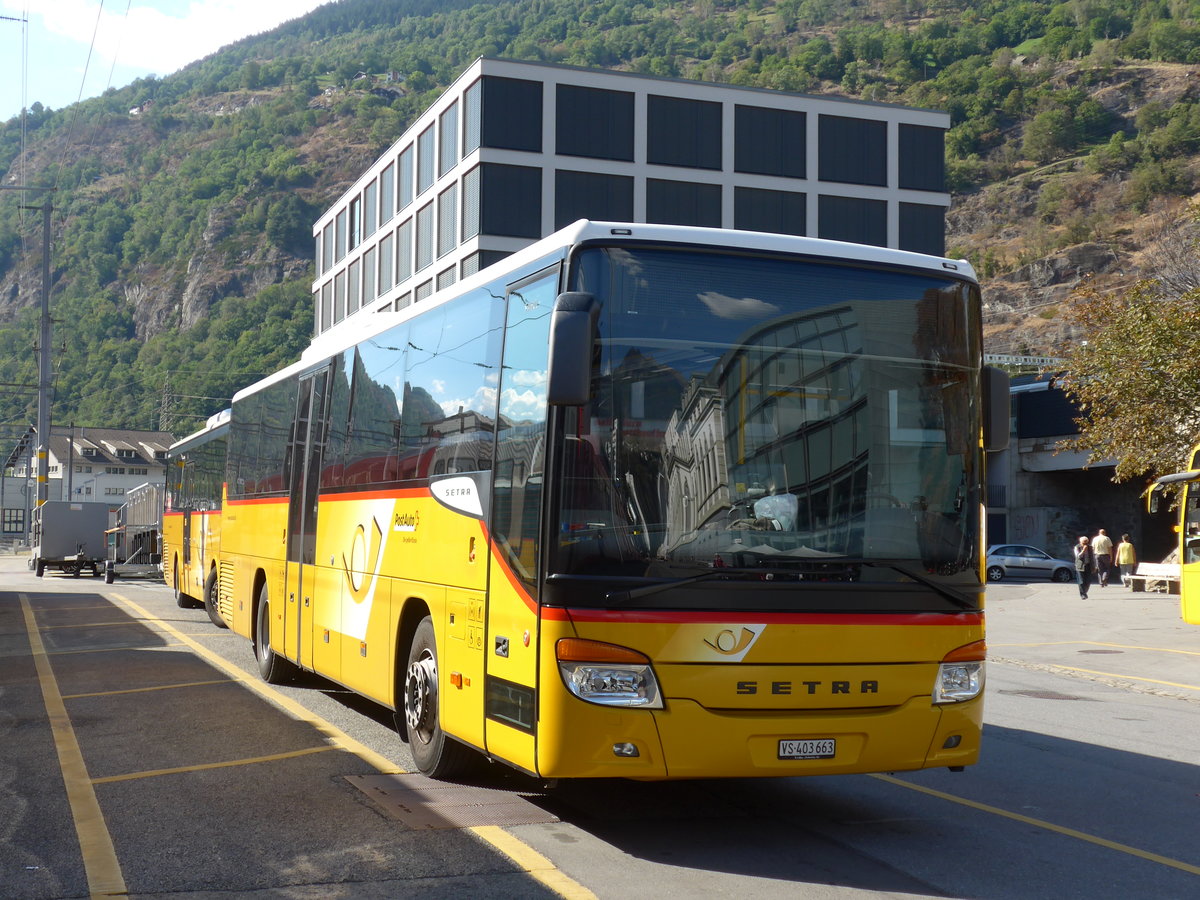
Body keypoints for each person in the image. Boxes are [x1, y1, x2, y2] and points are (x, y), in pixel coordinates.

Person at [1074, 535, 1095, 599]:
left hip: (1088, 565)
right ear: (1080, 542)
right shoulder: (1077, 547)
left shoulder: (1090, 547)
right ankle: (1083, 594)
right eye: (1084, 543)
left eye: (1086, 543)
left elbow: (1093, 557)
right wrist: (1083, 550)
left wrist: (1094, 566)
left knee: (1088, 581)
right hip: (1080, 566)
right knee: (1081, 581)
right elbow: (1078, 556)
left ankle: (1084, 591)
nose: (1085, 544)